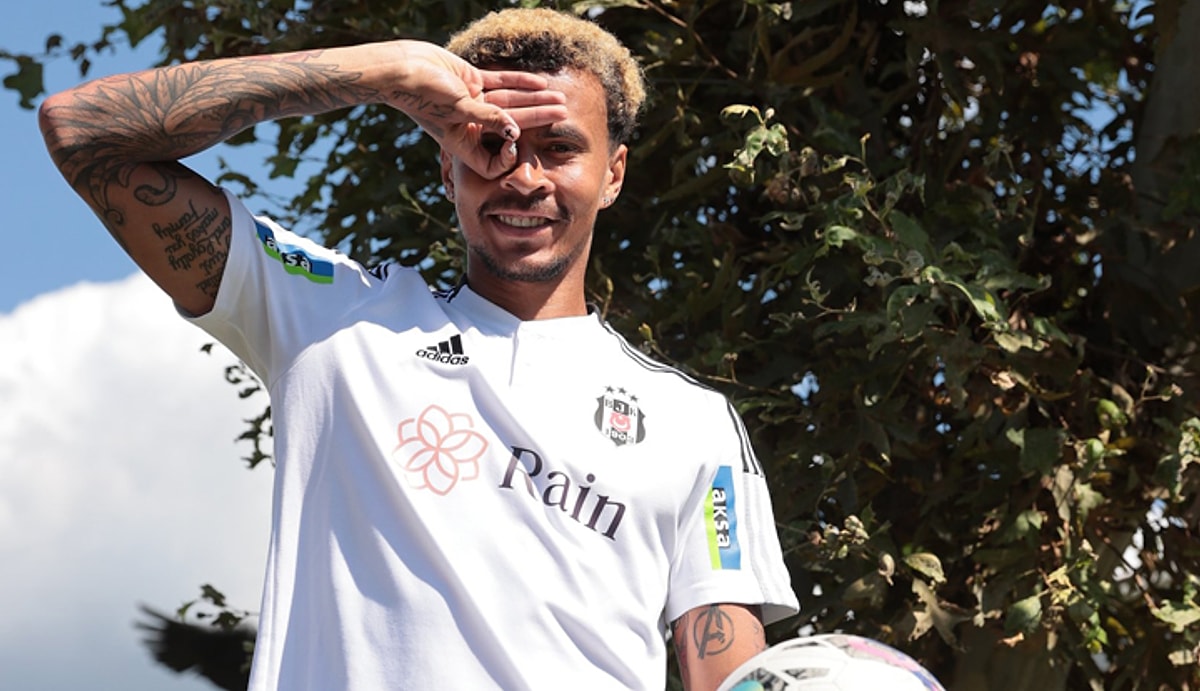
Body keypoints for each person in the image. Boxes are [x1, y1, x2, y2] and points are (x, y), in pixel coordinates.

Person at [38, 7, 799, 690]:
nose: (524, 177)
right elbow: (80, 129)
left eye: (560, 147)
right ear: (445, 165)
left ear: (613, 174)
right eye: (491, 143)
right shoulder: (329, 319)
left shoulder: (692, 421)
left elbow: (731, 676)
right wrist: (385, 71)